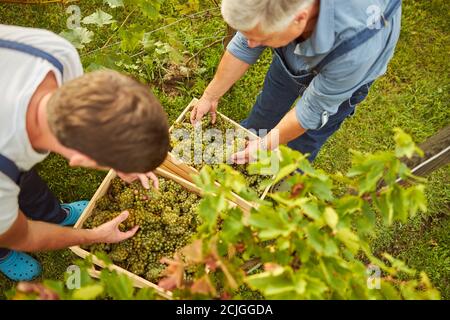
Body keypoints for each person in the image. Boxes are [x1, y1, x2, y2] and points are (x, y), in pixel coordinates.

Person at [0, 24, 169, 281]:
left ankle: (52, 215)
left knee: (23, 177)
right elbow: (24, 236)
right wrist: (94, 235)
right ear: (79, 160)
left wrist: (128, 158)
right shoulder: (3, 174)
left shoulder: (56, 54)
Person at [190, 0, 402, 164]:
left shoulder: (354, 52)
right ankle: (249, 145)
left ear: (299, 19)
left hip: (345, 73)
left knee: (303, 143)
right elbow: (246, 43)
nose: (251, 43)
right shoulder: (278, 15)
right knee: (266, 111)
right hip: (292, 44)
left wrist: (265, 146)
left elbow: (312, 111)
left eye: (261, 38)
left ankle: (286, 183)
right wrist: (210, 95)